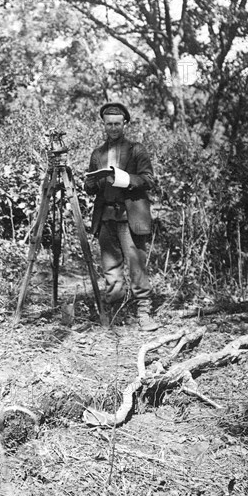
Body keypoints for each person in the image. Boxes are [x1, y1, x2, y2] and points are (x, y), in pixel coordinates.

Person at [84, 102, 159, 331]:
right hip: (106, 216)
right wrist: (90, 183)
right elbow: (92, 187)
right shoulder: (98, 153)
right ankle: (116, 314)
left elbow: (149, 180)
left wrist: (126, 179)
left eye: (117, 124)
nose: (113, 128)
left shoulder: (137, 150)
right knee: (111, 268)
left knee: (136, 265)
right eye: (109, 124)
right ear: (103, 125)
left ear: (124, 124)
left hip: (129, 216)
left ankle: (144, 313)